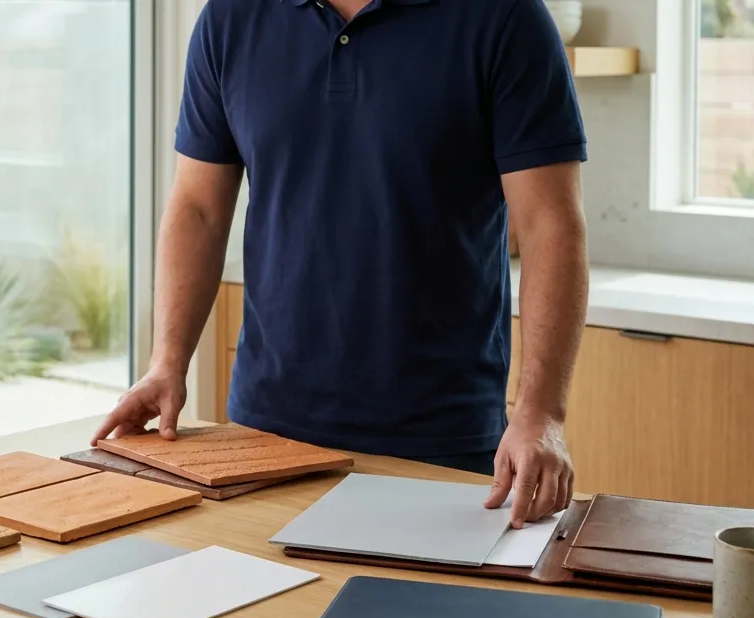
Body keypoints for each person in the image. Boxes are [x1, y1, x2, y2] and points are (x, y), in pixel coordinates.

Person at [94, 0, 589, 530]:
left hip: (440, 438)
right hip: (264, 433)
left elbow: (551, 227)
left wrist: (541, 413)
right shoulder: (231, 18)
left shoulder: (505, 17)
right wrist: (166, 362)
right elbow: (197, 209)